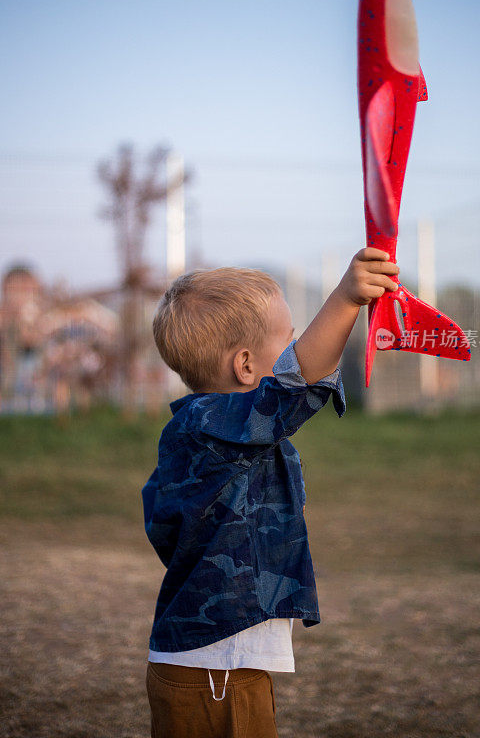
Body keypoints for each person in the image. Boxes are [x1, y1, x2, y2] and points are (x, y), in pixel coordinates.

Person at [142, 247, 399, 737]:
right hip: (216, 669)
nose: (300, 347)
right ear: (244, 365)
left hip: (220, 664)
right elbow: (294, 386)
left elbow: (161, 520)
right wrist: (346, 299)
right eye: (289, 342)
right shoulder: (205, 428)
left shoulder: (215, 437)